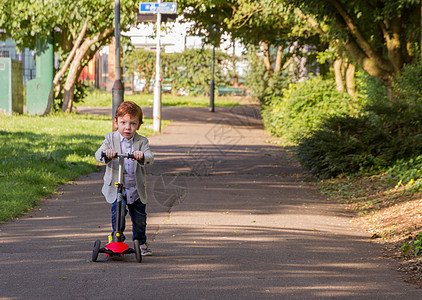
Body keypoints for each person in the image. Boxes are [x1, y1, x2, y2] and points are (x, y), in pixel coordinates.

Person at [95, 101, 154, 256]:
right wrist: (106, 154)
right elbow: (98, 153)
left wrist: (141, 156)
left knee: (140, 219)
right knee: (118, 215)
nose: (127, 128)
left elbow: (149, 157)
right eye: (123, 123)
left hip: (135, 189)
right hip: (117, 189)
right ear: (116, 122)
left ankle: (141, 243)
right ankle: (117, 240)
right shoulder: (109, 139)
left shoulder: (142, 142)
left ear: (139, 125)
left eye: (133, 123)